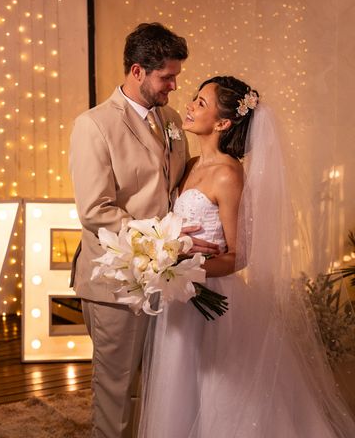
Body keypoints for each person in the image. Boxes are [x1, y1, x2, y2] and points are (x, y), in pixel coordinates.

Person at [137, 76, 355, 437]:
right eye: (193, 99)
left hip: (213, 300)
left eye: (201, 103)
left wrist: (185, 267)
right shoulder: (188, 165)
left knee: (220, 392)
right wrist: (165, 258)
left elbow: (240, 255)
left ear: (223, 123)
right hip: (181, 297)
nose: (189, 106)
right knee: (178, 389)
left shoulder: (227, 174)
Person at [68, 22, 220, 438]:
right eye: (166, 77)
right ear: (137, 71)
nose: (174, 86)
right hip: (115, 282)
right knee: (117, 391)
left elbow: (174, 188)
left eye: (175, 76)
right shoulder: (93, 125)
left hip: (169, 278)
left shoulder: (171, 119)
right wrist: (167, 241)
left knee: (160, 388)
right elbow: (96, 210)